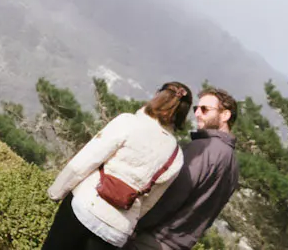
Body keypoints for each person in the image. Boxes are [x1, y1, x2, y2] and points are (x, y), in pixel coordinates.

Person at [43, 83, 193, 249]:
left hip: (85, 206)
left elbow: (85, 161)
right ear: (182, 115)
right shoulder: (175, 155)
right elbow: (149, 202)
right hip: (116, 230)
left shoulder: (128, 122)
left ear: (158, 96)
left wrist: (56, 192)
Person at [131, 88, 240, 250]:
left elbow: (171, 196)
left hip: (153, 239)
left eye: (205, 109)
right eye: (197, 108)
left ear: (225, 115)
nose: (197, 114)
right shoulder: (233, 164)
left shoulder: (203, 148)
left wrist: (137, 223)